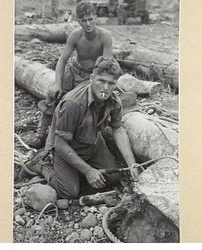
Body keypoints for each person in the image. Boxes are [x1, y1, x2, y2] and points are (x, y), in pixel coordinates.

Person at [26, 57, 137, 198]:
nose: (105, 88)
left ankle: (77, 171)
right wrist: (88, 171)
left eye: (111, 83)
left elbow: (118, 129)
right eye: (101, 81)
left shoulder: (114, 101)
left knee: (114, 177)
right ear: (92, 78)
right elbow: (60, 144)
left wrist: (132, 164)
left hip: (92, 144)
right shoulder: (73, 104)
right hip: (66, 148)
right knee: (69, 191)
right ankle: (43, 163)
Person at [29, 1, 113, 149]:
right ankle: (41, 134)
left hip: (91, 77)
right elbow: (62, 60)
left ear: (96, 18)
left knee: (76, 102)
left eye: (90, 19)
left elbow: (106, 66)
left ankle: (75, 137)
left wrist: (96, 83)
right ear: (78, 21)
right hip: (74, 71)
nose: (87, 24)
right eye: (83, 20)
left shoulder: (105, 36)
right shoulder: (75, 36)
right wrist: (57, 83)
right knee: (52, 95)